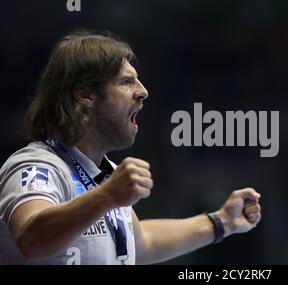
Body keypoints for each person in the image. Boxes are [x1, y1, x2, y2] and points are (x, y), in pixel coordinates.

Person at [0, 30, 262, 265]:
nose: (143, 91)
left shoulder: (104, 175)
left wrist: (221, 221)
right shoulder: (37, 166)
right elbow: (31, 238)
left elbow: (142, 242)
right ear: (86, 95)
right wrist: (106, 196)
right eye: (126, 82)